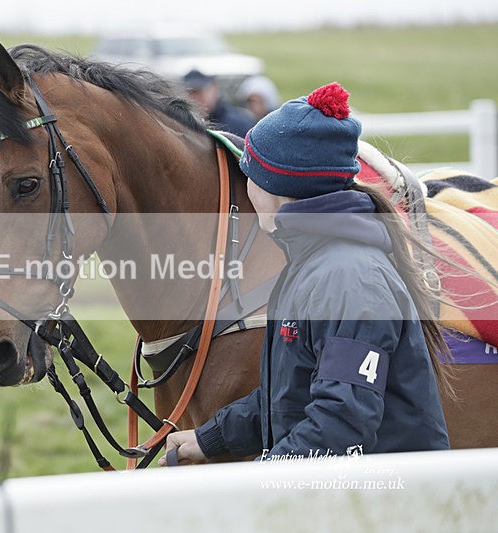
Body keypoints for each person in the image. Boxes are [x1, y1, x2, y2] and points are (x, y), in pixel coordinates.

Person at [160, 82, 450, 466]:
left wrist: (257, 483)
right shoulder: (313, 261)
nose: (247, 191)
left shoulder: (348, 278)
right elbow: (290, 396)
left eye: (251, 176)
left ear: (280, 187)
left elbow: (340, 425)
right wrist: (209, 439)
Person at [182, 69, 255, 137]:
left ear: (214, 89)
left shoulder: (239, 123)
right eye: (191, 93)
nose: (196, 98)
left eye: (200, 91)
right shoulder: (183, 125)